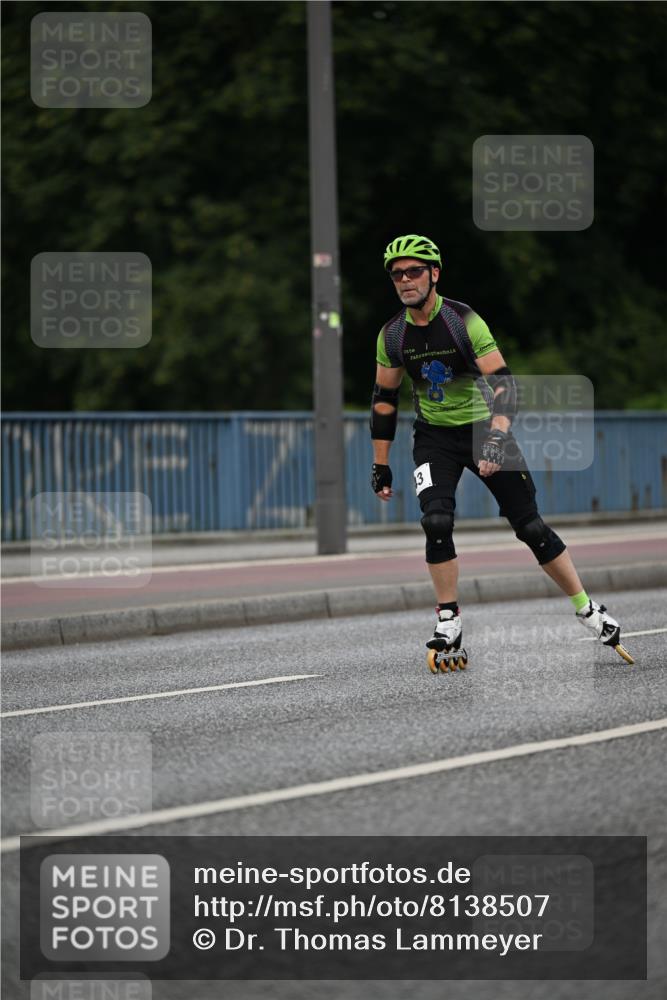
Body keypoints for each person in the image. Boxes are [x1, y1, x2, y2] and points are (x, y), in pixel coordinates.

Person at [370, 234, 630, 671]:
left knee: (529, 526)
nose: (405, 280)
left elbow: (506, 385)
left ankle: (587, 609)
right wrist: (380, 463)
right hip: (433, 436)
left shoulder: (463, 322)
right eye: (397, 274)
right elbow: (384, 400)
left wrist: (495, 438)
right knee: (435, 520)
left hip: (483, 427)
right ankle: (448, 618)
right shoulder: (393, 335)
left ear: (434, 274)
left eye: (414, 271)